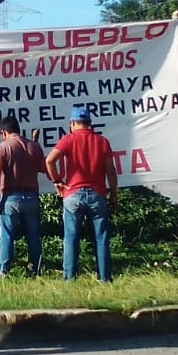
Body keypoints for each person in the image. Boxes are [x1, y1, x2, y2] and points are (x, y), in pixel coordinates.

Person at [45, 106, 119, 282]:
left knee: (71, 237)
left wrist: (57, 181)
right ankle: (104, 278)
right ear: (90, 124)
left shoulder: (68, 139)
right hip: (97, 194)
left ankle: (70, 278)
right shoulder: (102, 142)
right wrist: (114, 194)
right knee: (101, 237)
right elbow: (111, 171)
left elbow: (49, 161)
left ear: (72, 123)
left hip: (73, 194)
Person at [0, 116, 48, 275]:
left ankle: (4, 271)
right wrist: (35, 143)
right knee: (33, 235)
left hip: (11, 197)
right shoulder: (33, 146)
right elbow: (43, 168)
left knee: (6, 236)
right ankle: (36, 268)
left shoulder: (2, 148)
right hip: (31, 196)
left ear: (3, 132)